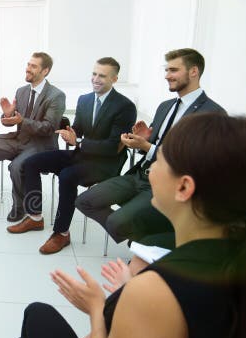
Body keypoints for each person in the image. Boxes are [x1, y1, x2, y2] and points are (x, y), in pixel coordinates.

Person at [10, 113, 246, 338]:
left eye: (160, 160)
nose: (150, 167)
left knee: (36, 315)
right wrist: (131, 297)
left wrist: (98, 310)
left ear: (183, 187)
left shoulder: (153, 293)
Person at [75, 48, 226, 244]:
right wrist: (143, 140)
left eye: (173, 70)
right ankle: (144, 240)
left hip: (167, 184)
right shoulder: (165, 106)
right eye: (167, 70)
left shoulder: (213, 114)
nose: (167, 76)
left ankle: (143, 243)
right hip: (140, 175)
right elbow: (151, 145)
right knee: (84, 201)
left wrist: (148, 147)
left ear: (194, 71)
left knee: (116, 222)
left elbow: (196, 163)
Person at [7, 58, 137, 254]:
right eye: (94, 74)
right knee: (31, 162)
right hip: (82, 154)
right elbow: (78, 129)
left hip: (106, 163)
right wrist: (71, 133)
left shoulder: (125, 106)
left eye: (102, 76)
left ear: (114, 79)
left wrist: (79, 142)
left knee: (67, 176)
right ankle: (34, 217)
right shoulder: (85, 99)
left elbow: (112, 147)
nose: (96, 79)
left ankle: (62, 233)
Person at [0, 52, 65, 219]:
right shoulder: (21, 91)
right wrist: (7, 116)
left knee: (16, 166)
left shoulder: (56, 96)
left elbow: (48, 128)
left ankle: (20, 207)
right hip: (18, 139)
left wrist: (22, 120)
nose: (28, 68)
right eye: (28, 64)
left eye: (33, 66)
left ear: (45, 71)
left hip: (40, 145)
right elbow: (12, 120)